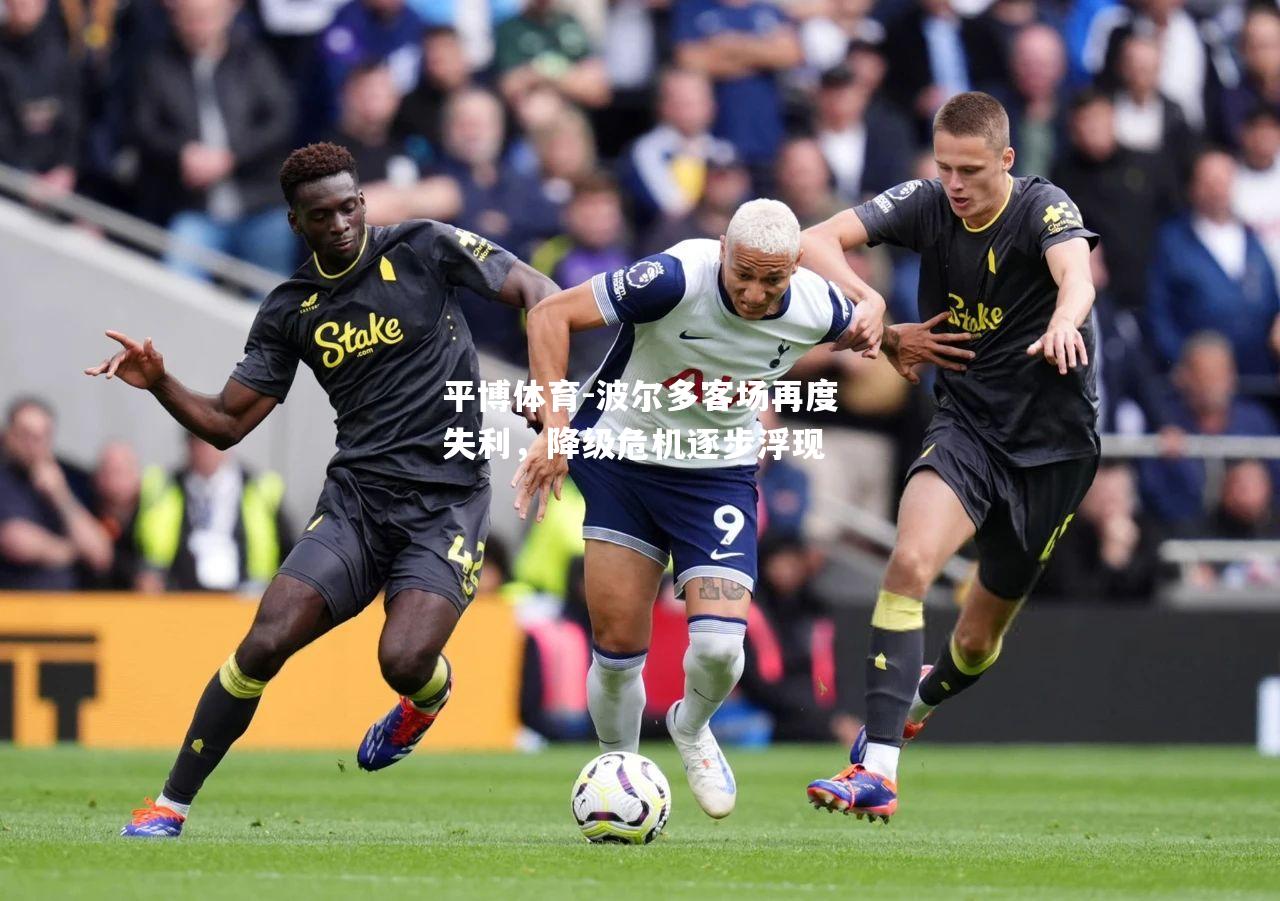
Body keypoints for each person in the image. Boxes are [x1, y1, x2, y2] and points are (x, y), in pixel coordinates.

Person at [85, 142, 558, 837]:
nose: (339, 223)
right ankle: (168, 805)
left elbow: (536, 292)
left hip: (447, 501)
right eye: (321, 214)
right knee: (264, 641)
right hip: (356, 505)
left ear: (363, 202)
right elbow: (223, 423)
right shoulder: (291, 308)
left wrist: (550, 398)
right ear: (295, 223)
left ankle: (425, 696)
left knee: (401, 660)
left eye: (348, 206)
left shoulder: (426, 247)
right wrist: (160, 381)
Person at [511, 199, 886, 819]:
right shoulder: (674, 278)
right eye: (744, 273)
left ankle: (691, 727)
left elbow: (868, 332)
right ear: (721, 249)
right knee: (617, 650)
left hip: (715, 477)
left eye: (774, 279)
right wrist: (554, 424)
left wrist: (897, 337)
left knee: (718, 648)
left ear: (795, 268)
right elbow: (550, 314)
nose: (756, 292)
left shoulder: (819, 306)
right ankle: (619, 779)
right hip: (620, 458)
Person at [799, 91, 1100, 820]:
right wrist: (876, 316)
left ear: (1006, 160)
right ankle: (876, 767)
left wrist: (1065, 322)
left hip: (1052, 450)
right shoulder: (927, 202)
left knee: (976, 638)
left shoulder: (1042, 208)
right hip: (965, 424)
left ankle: (921, 697)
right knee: (908, 563)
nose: (956, 185)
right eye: (944, 168)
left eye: (971, 170)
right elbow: (813, 240)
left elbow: (1077, 276)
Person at [133, 434, 293, 594]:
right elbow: (135, 543)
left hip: (247, 597)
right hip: (180, 596)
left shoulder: (259, 488)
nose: (206, 451)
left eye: (212, 444)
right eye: (199, 443)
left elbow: (289, 547)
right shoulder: (164, 487)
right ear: (188, 447)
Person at [0, 398, 113, 590]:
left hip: (66, 607)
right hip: (12, 605)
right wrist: (73, 552)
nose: (33, 444)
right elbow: (14, 541)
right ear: (8, 435)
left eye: (42, 436)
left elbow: (99, 554)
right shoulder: (5, 477)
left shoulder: (69, 478)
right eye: (25, 435)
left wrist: (61, 496)